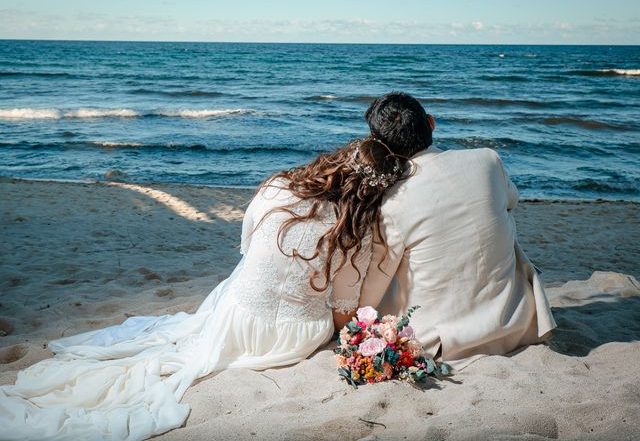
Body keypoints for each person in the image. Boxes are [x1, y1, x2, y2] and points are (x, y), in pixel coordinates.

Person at [0, 138, 404, 441]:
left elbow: (247, 249)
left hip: (234, 317)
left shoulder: (278, 187)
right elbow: (342, 308)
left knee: (239, 282)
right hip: (292, 338)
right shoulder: (356, 233)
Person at [359, 92, 557, 369]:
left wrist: (356, 318)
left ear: (380, 146)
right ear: (431, 123)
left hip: (446, 342)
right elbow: (512, 200)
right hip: (518, 323)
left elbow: (378, 278)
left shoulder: (392, 199)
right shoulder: (487, 160)